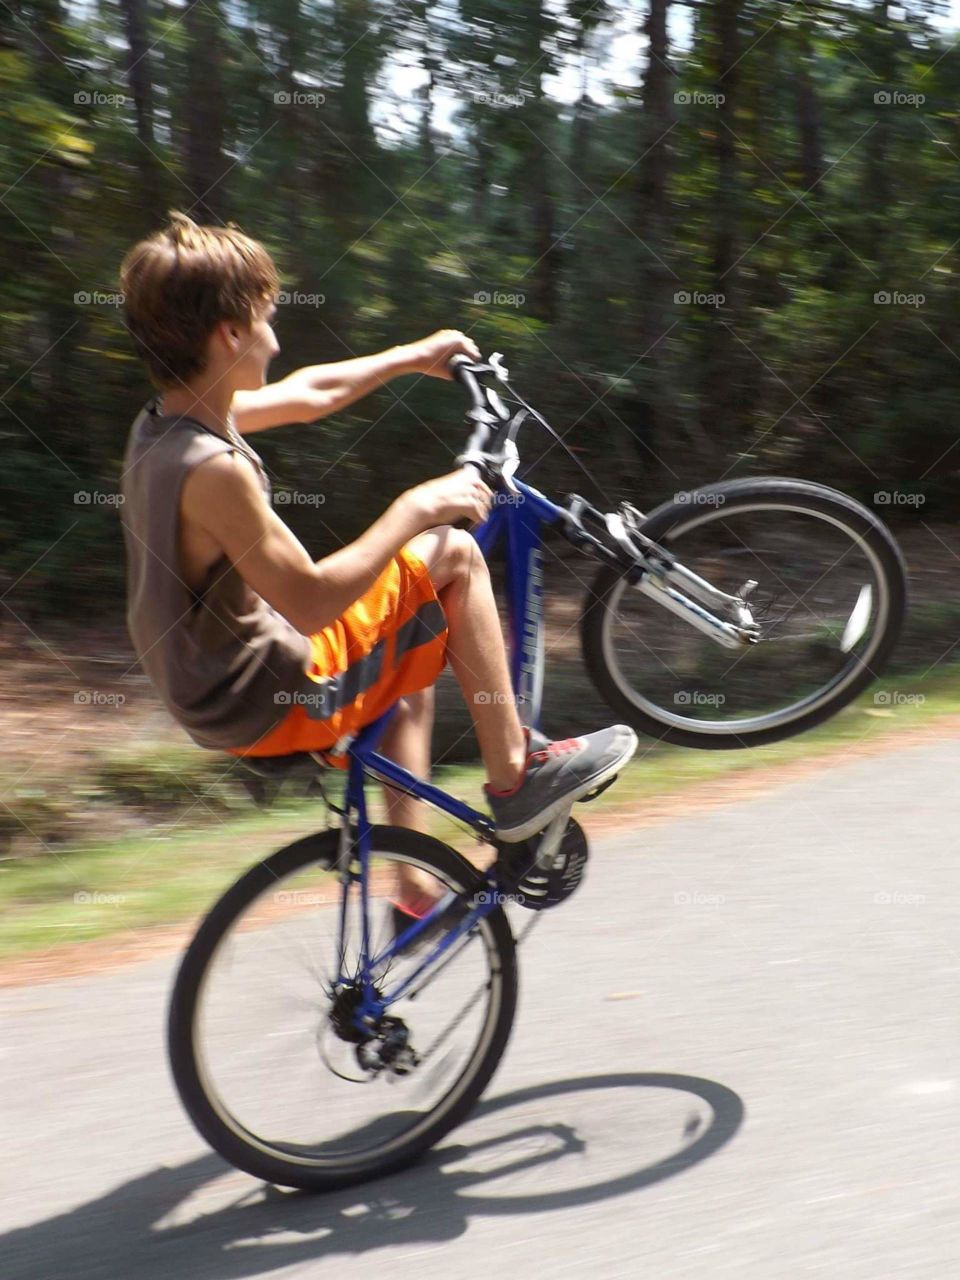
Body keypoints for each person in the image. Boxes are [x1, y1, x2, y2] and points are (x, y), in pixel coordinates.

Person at [118, 211, 637, 926]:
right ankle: (516, 778)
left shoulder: (168, 423)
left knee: (410, 657)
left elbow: (309, 396)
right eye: (266, 319)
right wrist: (418, 507)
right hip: (265, 694)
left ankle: (416, 892)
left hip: (207, 686)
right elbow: (308, 601)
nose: (275, 335)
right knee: (452, 557)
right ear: (229, 335)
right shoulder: (215, 470)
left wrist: (409, 355)